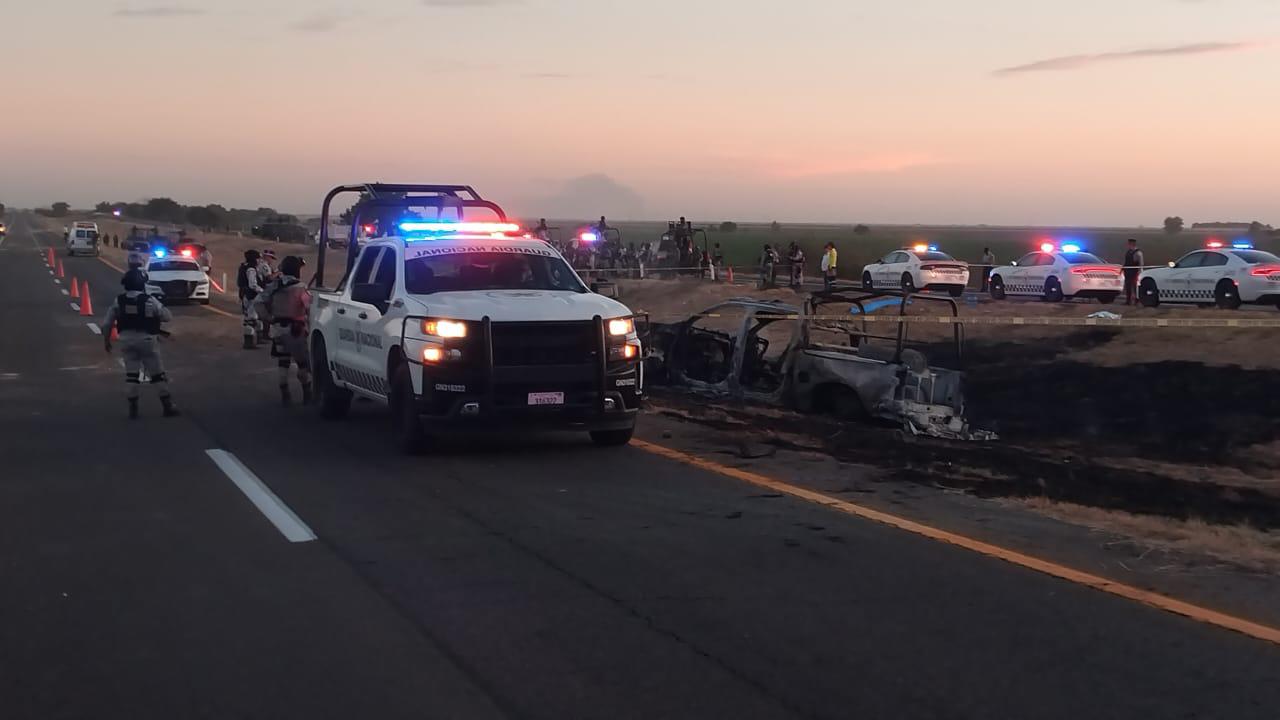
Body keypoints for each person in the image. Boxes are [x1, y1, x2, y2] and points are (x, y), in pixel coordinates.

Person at [102, 269, 179, 419]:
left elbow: (107, 324)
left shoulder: (119, 301)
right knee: (157, 375)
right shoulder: (149, 300)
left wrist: (106, 341)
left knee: (131, 375)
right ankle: (167, 406)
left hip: (126, 340)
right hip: (147, 341)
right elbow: (167, 316)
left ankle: (133, 408)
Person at [256, 256, 313, 405]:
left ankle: (285, 392)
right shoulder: (301, 287)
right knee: (302, 364)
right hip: (296, 330)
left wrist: (268, 318)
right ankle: (307, 392)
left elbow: (258, 302)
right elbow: (308, 307)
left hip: (277, 329)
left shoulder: (274, 286)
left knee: (283, 361)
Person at [237, 249, 264, 349]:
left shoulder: (244, 266)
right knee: (251, 319)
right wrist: (262, 291)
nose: (259, 260)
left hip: (246, 295)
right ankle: (249, 343)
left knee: (252, 318)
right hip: (251, 296)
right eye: (258, 258)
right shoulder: (251, 269)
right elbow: (252, 285)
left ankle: (255, 340)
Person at [1123, 238, 1144, 305]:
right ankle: (1128, 300)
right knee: (1128, 286)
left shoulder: (1138, 253)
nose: (1128, 245)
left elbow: (1141, 263)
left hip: (1134, 272)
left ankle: (1137, 300)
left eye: (1129, 244)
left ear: (1132, 244)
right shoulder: (1128, 251)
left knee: (1135, 286)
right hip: (1127, 271)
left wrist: (1140, 271)